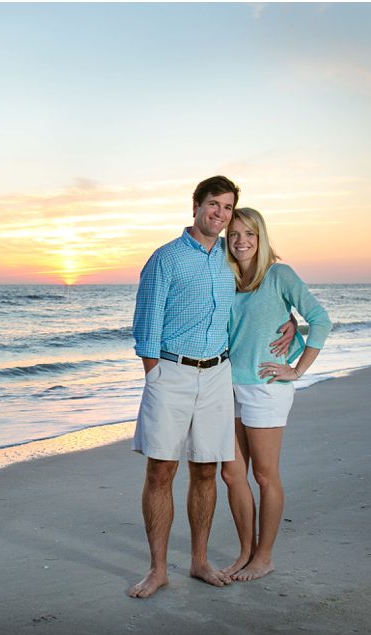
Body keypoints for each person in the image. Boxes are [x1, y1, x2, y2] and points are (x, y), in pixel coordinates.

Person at [129, 177, 295, 598]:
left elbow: (264, 292)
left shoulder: (230, 258)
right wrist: (157, 375)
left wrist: (292, 323)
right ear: (196, 206)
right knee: (161, 470)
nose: (220, 214)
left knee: (206, 470)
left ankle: (200, 561)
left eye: (226, 207)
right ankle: (158, 569)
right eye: (213, 205)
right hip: (172, 374)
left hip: (219, 376)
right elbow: (145, 328)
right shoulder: (165, 259)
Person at [219, 207, 332, 581]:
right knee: (233, 476)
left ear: (261, 237)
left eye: (249, 234)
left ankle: (264, 556)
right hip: (225, 385)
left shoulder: (279, 274)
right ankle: (244, 552)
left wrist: (297, 368)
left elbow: (321, 319)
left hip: (266, 388)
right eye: (234, 234)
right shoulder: (225, 277)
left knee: (266, 477)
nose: (241, 241)